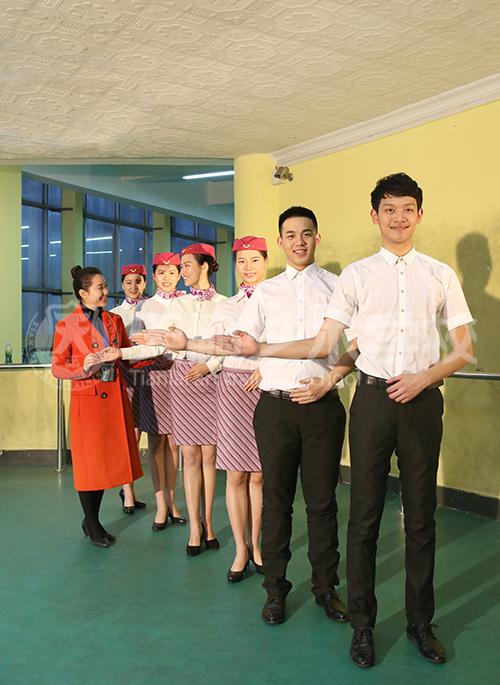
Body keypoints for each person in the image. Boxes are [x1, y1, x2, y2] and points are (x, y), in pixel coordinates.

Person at [217, 174, 474, 668]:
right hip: (372, 403)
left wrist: (424, 378)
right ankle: (362, 626)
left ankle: (420, 623)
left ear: (420, 214)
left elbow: (463, 348)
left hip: (423, 403)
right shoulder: (355, 276)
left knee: (421, 519)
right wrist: (261, 349)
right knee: (364, 518)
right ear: (375, 215)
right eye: (389, 209)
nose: (398, 218)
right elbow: (325, 343)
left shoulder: (440, 274)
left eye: (407, 209)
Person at [215, 207, 350, 626]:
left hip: (323, 408)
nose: (299, 241)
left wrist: (330, 380)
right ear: (280, 242)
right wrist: (190, 344)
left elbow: (356, 345)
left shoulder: (338, 287)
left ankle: (326, 588)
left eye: (306, 233)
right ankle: (275, 590)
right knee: (276, 503)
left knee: (322, 503)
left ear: (317, 238)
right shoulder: (266, 293)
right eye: (290, 235)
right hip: (274, 409)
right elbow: (242, 343)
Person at [136, 236, 268, 581]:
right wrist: (124, 352)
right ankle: (197, 528)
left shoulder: (226, 302)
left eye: (186, 266)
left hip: (219, 381)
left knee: (222, 461)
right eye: (242, 261)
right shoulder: (177, 305)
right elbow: (167, 344)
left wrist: (209, 366)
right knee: (192, 456)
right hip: (186, 380)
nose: (180, 273)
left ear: (206, 266)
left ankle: (214, 527)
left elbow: (224, 347)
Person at [51, 266, 143, 548]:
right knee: (89, 465)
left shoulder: (115, 320)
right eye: (100, 287)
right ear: (83, 293)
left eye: (105, 286)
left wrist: (155, 353)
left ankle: (90, 520)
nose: (106, 291)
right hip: (87, 402)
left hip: (114, 400)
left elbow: (126, 358)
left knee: (104, 463)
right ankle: (92, 524)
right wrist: (82, 367)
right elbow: (57, 367)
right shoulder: (67, 325)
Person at [107, 252, 187, 530]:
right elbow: (138, 346)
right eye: (161, 272)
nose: (166, 277)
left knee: (174, 442)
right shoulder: (143, 308)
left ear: (180, 275)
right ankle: (155, 502)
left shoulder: (188, 302)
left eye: (172, 272)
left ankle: (172, 501)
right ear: (154, 276)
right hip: (146, 375)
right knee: (149, 439)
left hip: (178, 374)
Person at [110, 263, 148, 514]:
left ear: (145, 283)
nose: (133, 286)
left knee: (149, 432)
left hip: (152, 374)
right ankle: (128, 490)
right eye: (128, 282)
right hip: (126, 375)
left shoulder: (154, 308)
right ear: (122, 285)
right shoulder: (114, 314)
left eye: (138, 281)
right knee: (130, 433)